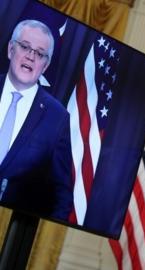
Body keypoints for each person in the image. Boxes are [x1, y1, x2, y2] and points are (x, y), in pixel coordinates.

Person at [0, 19, 73, 220]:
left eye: (40, 53)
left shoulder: (57, 117)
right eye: (25, 47)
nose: (31, 56)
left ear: (46, 65)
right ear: (10, 49)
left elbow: (61, 194)